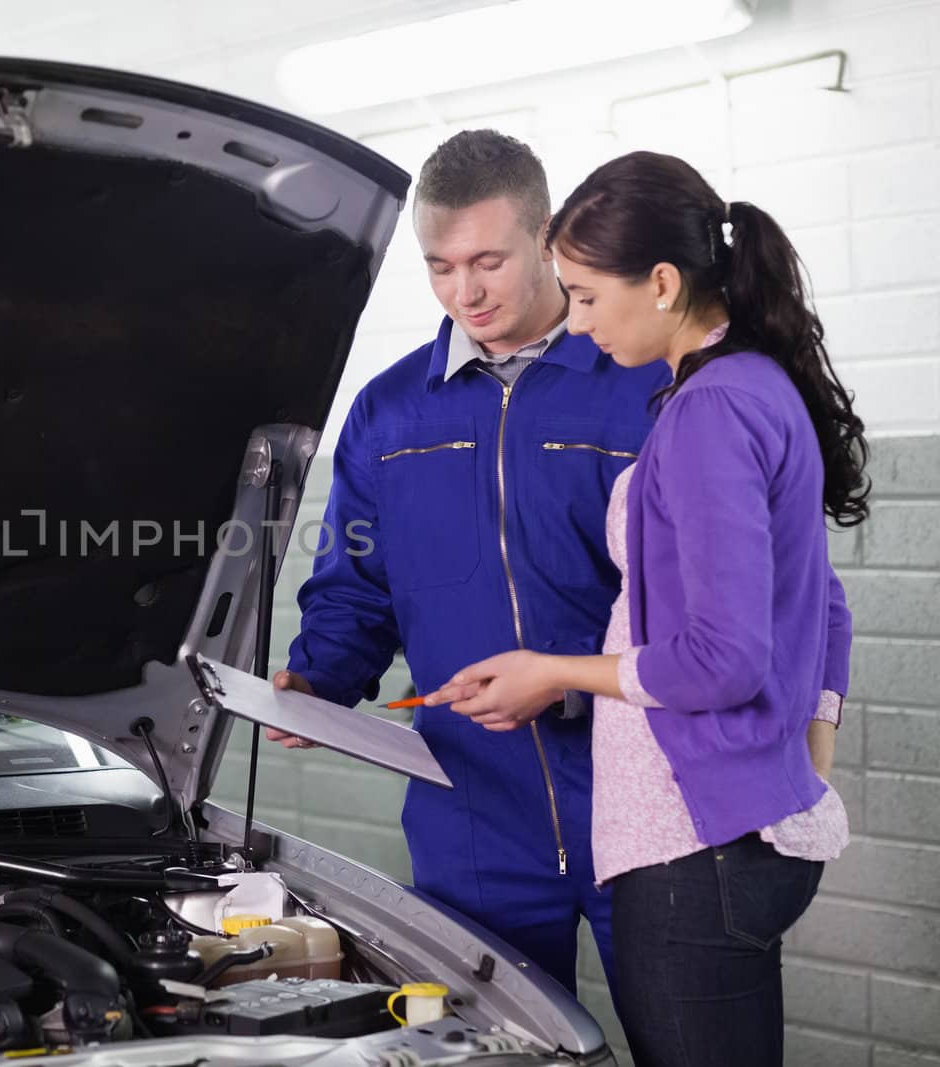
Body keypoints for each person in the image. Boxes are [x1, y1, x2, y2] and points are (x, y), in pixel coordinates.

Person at [426, 150, 863, 1067]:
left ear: (662, 283)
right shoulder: (754, 384)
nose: (578, 325)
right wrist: (799, 757)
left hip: (689, 847)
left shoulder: (708, 410)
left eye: (585, 296)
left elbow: (722, 660)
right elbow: (823, 600)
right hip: (733, 833)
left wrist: (552, 672)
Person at [268, 130, 667, 995]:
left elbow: (696, 604)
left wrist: (568, 685)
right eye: (440, 266)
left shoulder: (646, 381)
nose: (465, 291)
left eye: (487, 260)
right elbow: (355, 585)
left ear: (548, 235)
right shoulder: (389, 412)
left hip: (646, 795)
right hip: (471, 813)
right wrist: (316, 681)